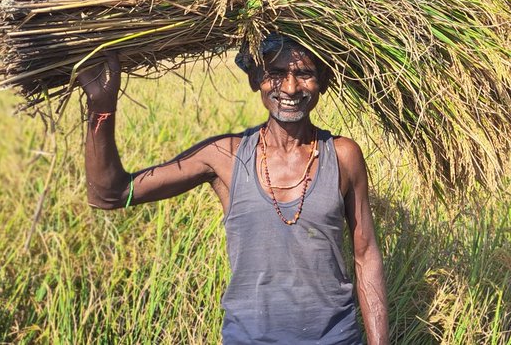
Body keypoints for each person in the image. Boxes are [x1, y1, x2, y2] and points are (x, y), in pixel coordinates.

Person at [77, 35, 388, 344]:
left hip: (334, 339)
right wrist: (101, 107)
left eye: (304, 73)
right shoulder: (224, 156)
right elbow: (109, 194)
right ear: (256, 79)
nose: (291, 88)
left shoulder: (343, 155)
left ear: (323, 80)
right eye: (276, 73)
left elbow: (366, 255)